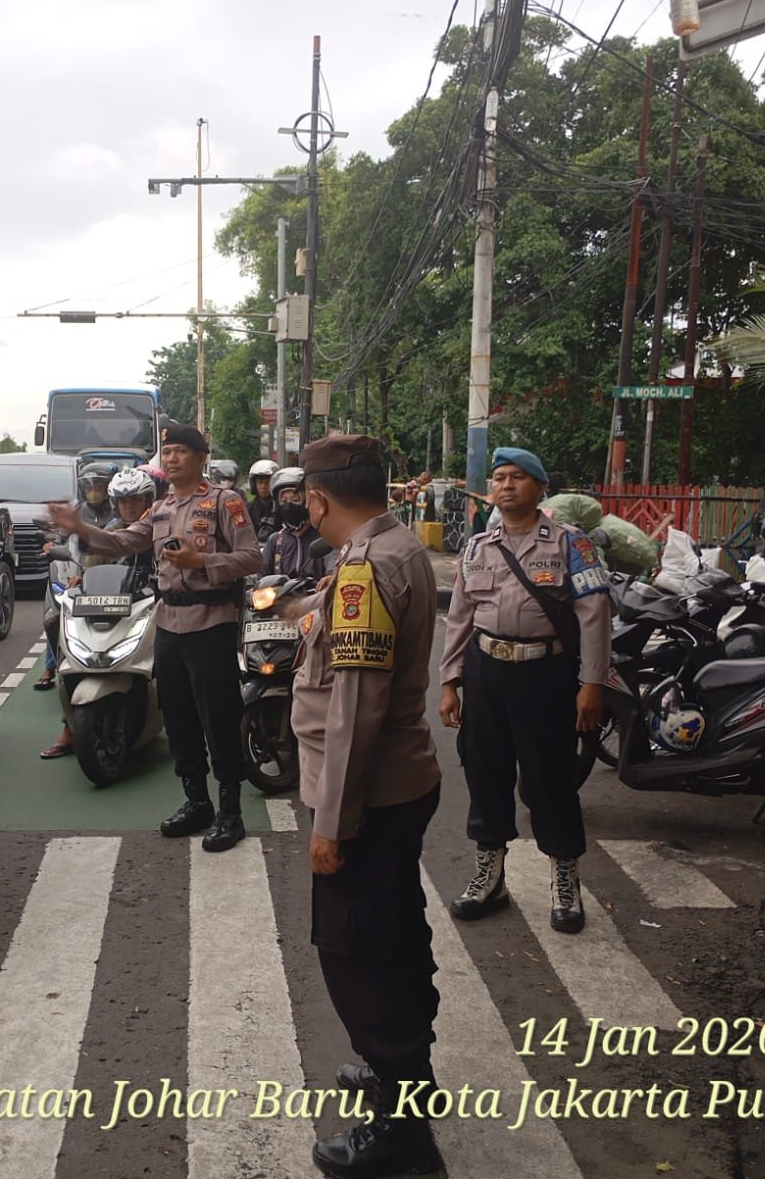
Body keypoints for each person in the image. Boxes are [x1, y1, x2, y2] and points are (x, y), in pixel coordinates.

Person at [287, 434, 444, 1177]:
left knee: (360, 955)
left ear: (319, 499)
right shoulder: (396, 546)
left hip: (366, 797)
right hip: (398, 786)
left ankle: (403, 1131)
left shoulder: (365, 570)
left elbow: (354, 708)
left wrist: (332, 825)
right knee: (396, 934)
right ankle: (402, 1076)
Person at [48, 425, 259, 850]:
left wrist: (202, 561)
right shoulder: (160, 508)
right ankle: (196, 802)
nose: (173, 458)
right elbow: (122, 541)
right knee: (177, 719)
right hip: (167, 623)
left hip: (211, 622)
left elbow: (252, 556)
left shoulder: (224, 502)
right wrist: (81, 529)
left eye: (182, 451)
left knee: (218, 718)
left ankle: (230, 812)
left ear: (201, 457)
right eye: (169, 452)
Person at [439, 447, 611, 934]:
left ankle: (565, 882)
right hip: (486, 672)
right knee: (485, 774)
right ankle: (490, 879)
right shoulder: (477, 547)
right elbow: (459, 617)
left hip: (545, 674)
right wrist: (450, 681)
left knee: (549, 780)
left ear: (540, 487)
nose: (506, 485)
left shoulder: (570, 543)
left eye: (518, 477)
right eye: (499, 478)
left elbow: (595, 615)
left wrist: (592, 683)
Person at [39, 466, 159, 760]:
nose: (129, 506)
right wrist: (81, 579)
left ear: (148, 500)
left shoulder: (160, 528)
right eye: (123, 500)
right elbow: (91, 564)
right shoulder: (110, 533)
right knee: (67, 642)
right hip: (111, 606)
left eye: (135, 499)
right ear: (115, 503)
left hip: (151, 605)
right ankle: (69, 727)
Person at [33, 462, 119, 691]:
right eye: (89, 486)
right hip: (74, 573)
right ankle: (50, 666)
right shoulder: (78, 511)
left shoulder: (118, 512)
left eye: (98, 485)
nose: (94, 490)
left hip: (112, 575)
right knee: (57, 615)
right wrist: (52, 543)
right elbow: (62, 535)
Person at [260, 466, 329, 583]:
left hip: (316, 592)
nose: (288, 505)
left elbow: (332, 564)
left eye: (295, 500)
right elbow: (261, 574)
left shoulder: (323, 536)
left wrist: (329, 577)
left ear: (307, 501)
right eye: (284, 501)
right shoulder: (275, 540)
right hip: (281, 593)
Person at [248, 459, 279, 541]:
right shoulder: (248, 508)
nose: (263, 487)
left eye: (267, 483)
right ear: (254, 485)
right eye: (260, 483)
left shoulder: (281, 508)